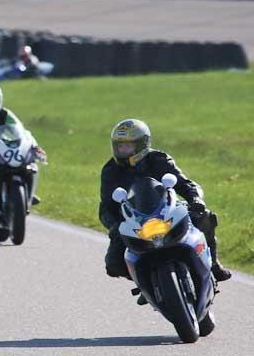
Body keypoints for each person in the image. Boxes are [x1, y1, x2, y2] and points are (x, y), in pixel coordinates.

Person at [99, 118, 232, 288]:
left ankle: (213, 264)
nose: (122, 150)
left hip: (166, 212)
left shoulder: (159, 159)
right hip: (134, 221)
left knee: (205, 216)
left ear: (142, 144)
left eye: (127, 146)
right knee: (113, 265)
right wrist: (114, 226)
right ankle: (148, 282)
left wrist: (195, 199)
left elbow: (185, 184)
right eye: (119, 146)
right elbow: (106, 207)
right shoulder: (110, 170)